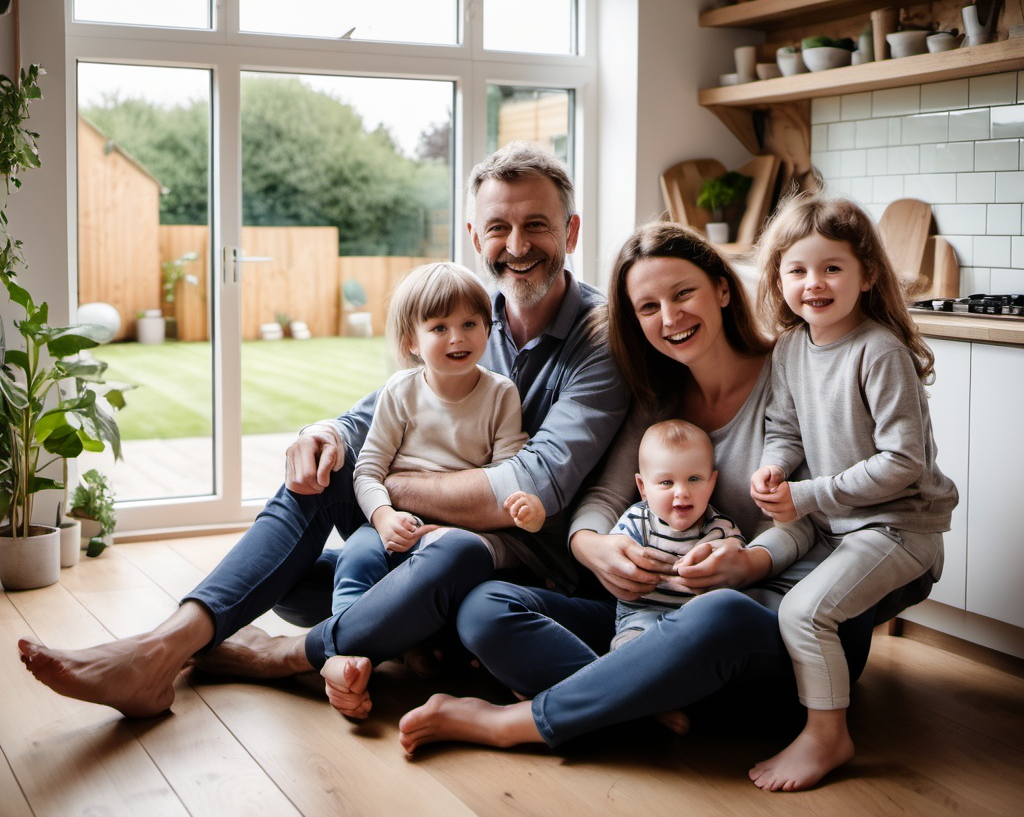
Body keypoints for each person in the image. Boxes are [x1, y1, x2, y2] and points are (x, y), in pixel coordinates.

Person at [17, 142, 630, 721]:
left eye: (537, 225)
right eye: (498, 227)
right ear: (476, 237)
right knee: (294, 570)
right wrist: (330, 431)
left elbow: (531, 486)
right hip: (424, 541)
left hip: (515, 568)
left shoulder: (603, 337)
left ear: (570, 232)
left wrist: (385, 481)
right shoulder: (471, 315)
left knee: (374, 560)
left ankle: (266, 655)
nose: (516, 245)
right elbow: (381, 409)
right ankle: (180, 640)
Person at [397, 221, 932, 768]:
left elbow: (814, 513)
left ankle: (519, 723)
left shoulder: (794, 367)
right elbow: (602, 501)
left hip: (784, 630)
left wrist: (749, 563)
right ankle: (640, 698)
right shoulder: (657, 399)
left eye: (683, 294)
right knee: (485, 608)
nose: (670, 319)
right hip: (656, 614)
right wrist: (593, 548)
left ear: (722, 290)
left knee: (716, 614)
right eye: (647, 307)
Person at [745, 193, 958, 792]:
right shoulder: (791, 347)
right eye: (798, 269)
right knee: (756, 555)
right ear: (779, 277)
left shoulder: (879, 351)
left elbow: (902, 464)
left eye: (832, 268)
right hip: (842, 518)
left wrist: (808, 494)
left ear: (865, 275)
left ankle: (827, 736)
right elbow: (784, 428)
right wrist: (773, 467)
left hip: (899, 525)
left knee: (804, 611)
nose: (814, 283)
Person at [330, 260, 538, 627]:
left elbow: (507, 474)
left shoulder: (501, 394)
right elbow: (368, 470)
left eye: (469, 324)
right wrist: (383, 517)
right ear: (412, 341)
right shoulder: (400, 391)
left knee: (454, 572)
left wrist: (523, 509)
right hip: (401, 520)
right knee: (358, 555)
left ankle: (416, 644)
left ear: (487, 329)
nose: (457, 338)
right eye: (439, 327)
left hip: (467, 526)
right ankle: (342, 640)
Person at [610, 418, 742, 650]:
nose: (681, 492)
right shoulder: (636, 522)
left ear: (712, 483)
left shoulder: (720, 529)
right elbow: (614, 561)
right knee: (632, 645)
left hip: (695, 619)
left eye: (694, 479)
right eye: (666, 482)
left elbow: (738, 562)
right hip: (642, 612)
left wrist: (728, 558)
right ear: (643, 488)